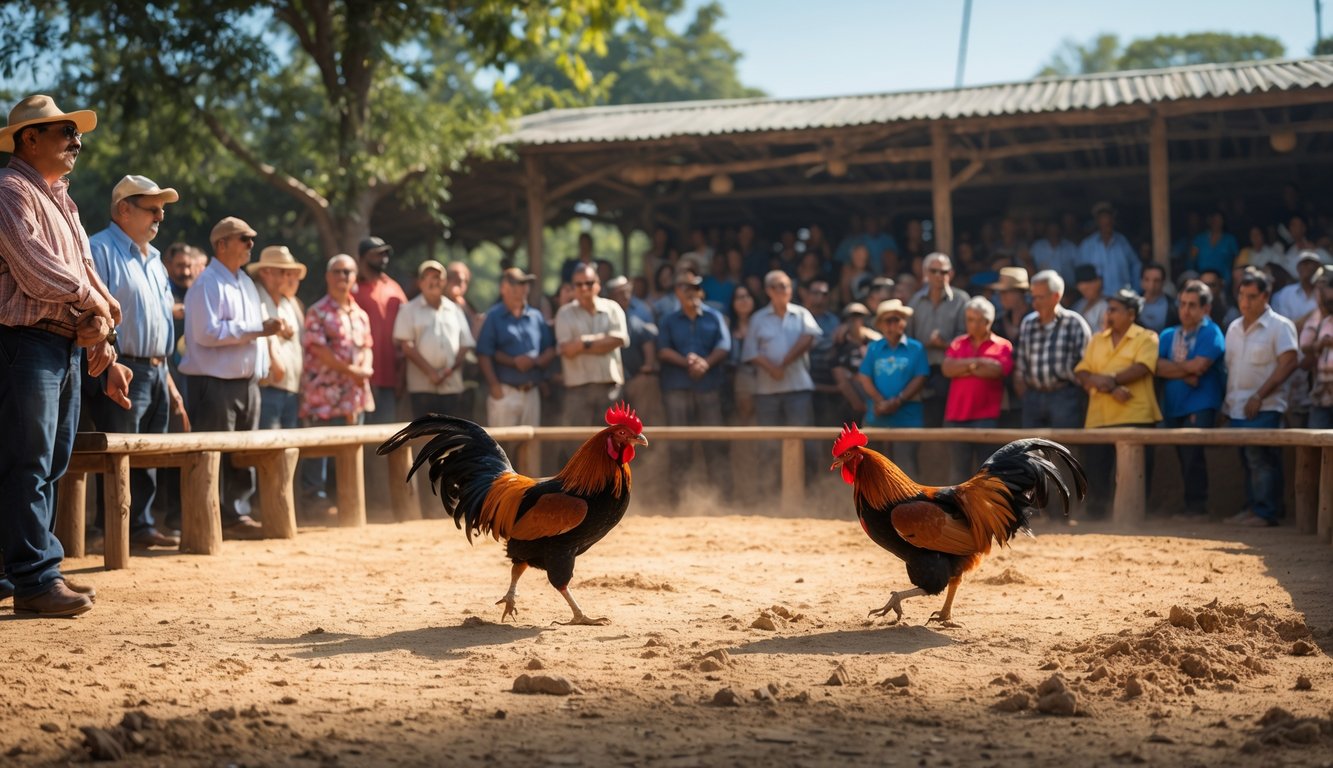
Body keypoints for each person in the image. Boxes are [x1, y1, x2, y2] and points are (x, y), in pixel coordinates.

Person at [0, 94, 122, 616]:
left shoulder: (62, 200)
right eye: (64, 132)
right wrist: (93, 306)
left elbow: (86, 275)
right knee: (28, 461)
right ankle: (33, 577)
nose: (76, 142)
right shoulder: (10, 190)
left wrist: (103, 329)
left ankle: (21, 569)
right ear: (30, 139)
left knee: (47, 463)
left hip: (61, 342)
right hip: (25, 342)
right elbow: (33, 267)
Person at [86, 174, 186, 550]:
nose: (160, 217)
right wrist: (111, 361)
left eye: (162, 210)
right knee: (122, 449)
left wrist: (169, 380)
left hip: (158, 368)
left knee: (148, 450)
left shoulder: (157, 260)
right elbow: (95, 314)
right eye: (152, 209)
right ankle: (112, 530)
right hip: (120, 364)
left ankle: (140, 526)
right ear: (123, 209)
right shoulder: (100, 249)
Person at [180, 216, 284, 540]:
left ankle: (236, 516)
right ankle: (211, 517)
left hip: (244, 382)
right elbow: (207, 333)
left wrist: (262, 365)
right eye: (244, 238)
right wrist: (258, 330)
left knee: (242, 453)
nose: (251, 244)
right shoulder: (206, 283)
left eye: (252, 238)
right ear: (221, 244)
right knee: (215, 454)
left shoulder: (245, 283)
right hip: (213, 383)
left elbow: (256, 333)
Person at [1074, 289, 1162, 517]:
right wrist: (1110, 386)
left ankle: (1137, 518)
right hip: (1099, 416)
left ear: (1130, 313)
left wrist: (1109, 380)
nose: (1108, 314)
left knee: (1136, 473)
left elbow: (1143, 367)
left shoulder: (1147, 337)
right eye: (1108, 309)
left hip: (1135, 415)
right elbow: (1082, 372)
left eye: (1114, 310)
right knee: (1096, 471)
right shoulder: (1097, 339)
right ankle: (1096, 519)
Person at [1223, 270, 1298, 527]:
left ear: (1266, 296)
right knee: (1248, 460)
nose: (1245, 301)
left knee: (1261, 460)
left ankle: (1266, 512)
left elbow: (1288, 364)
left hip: (1265, 406)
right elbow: (1231, 370)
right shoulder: (1233, 327)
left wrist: (1259, 395)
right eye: (1242, 295)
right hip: (1237, 408)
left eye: (1252, 296)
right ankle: (1253, 508)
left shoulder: (1280, 326)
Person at [300, 254, 374, 511]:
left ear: (355, 277)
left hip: (353, 395)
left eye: (349, 272)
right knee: (318, 450)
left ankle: (348, 501)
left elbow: (367, 345)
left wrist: (363, 368)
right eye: (339, 271)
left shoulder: (360, 314)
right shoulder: (317, 311)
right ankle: (313, 502)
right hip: (323, 393)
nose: (344, 276)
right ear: (328, 276)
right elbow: (319, 350)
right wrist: (352, 369)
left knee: (350, 450)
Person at [1156, 280, 1226, 518]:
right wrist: (1187, 372)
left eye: (1193, 305)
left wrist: (1174, 369)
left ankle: (1197, 506)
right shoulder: (1167, 334)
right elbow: (1155, 367)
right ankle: (1192, 505)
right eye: (1183, 304)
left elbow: (1201, 366)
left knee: (1192, 455)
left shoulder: (1212, 331)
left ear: (1206, 309)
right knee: (1182, 455)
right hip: (1174, 406)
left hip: (1201, 403)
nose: (1185, 310)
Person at [657, 270, 730, 495]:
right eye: (686, 288)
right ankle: (677, 498)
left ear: (702, 291)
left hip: (708, 387)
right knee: (679, 445)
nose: (692, 293)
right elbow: (663, 350)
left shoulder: (714, 316)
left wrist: (705, 363)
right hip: (677, 388)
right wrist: (687, 362)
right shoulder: (668, 319)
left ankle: (721, 497)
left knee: (713, 443)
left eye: (696, 288)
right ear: (677, 292)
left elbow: (725, 345)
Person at [743, 270, 822, 446]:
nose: (781, 290)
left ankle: (806, 475)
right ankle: (769, 475)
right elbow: (750, 352)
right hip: (767, 391)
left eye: (784, 286)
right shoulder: (757, 318)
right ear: (768, 290)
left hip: (798, 388)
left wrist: (783, 364)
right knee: (769, 444)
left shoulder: (802, 314)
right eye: (775, 287)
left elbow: (809, 338)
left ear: (791, 289)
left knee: (802, 442)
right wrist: (773, 368)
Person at [856, 299, 929, 477]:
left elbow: (920, 378)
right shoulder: (874, 348)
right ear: (880, 324)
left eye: (896, 319)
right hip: (878, 415)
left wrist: (898, 400)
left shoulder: (916, 348)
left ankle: (910, 504)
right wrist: (881, 402)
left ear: (904, 322)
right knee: (873, 467)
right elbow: (864, 376)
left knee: (906, 466)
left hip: (907, 416)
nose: (892, 324)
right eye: (887, 321)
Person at [476, 268, 556, 428]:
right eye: (516, 284)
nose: (521, 288)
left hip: (532, 391)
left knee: (531, 446)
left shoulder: (536, 316)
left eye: (524, 284)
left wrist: (536, 361)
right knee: (501, 449)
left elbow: (550, 349)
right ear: (503, 288)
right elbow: (484, 353)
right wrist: (494, 387)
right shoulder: (493, 316)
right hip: (505, 390)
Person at [394, 260, 475, 417]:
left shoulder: (455, 309)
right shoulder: (408, 310)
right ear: (420, 282)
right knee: (425, 437)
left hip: (452, 386)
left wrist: (448, 371)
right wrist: (431, 372)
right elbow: (407, 346)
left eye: (438, 277)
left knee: (450, 437)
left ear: (444, 282)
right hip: (422, 387)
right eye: (428, 277)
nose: (434, 281)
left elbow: (465, 344)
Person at [942, 296, 1013, 476]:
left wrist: (963, 367)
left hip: (986, 417)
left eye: (975, 320)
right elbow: (948, 369)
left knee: (987, 473)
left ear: (988, 321)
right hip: (956, 416)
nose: (970, 324)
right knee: (958, 473)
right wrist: (978, 363)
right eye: (969, 319)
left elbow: (997, 371)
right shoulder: (958, 342)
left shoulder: (1002, 345)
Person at [1014, 270, 1092, 429]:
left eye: (1039, 297)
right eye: (1032, 297)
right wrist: (1024, 391)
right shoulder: (1028, 323)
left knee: (1063, 449)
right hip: (1032, 396)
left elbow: (1086, 365)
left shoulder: (1075, 323)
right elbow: (1021, 365)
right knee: (1031, 450)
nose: (1034, 303)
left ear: (1056, 296)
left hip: (1065, 396)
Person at [554, 263, 629, 425]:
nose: (584, 288)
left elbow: (619, 340)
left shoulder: (613, 308)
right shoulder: (564, 313)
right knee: (579, 445)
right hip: (577, 392)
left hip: (610, 389)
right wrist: (603, 342)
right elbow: (567, 350)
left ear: (598, 284)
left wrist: (583, 342)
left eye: (588, 283)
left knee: (611, 445)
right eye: (579, 284)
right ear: (573, 287)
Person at [906, 252, 969, 428]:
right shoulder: (915, 301)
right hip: (921, 371)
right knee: (925, 424)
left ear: (951, 273)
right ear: (925, 272)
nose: (938, 276)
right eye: (934, 271)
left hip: (951, 370)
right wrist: (924, 345)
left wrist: (945, 344)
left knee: (952, 424)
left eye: (943, 271)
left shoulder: (961, 300)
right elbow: (909, 338)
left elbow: (967, 339)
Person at [247, 245, 306, 430]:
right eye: (283, 272)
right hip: (266, 388)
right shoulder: (252, 297)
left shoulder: (289, 303)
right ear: (266, 272)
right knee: (268, 451)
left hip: (291, 389)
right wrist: (274, 360)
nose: (289, 277)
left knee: (288, 449)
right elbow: (255, 333)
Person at [353, 235, 406, 423]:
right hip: (359, 378)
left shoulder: (394, 288)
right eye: (377, 254)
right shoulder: (352, 289)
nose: (383, 257)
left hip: (391, 377)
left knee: (385, 439)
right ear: (362, 258)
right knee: (357, 438)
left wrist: (402, 374)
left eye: (385, 253)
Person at [1078, 201, 1141, 294]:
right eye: (1102, 219)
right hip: (1098, 299)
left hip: (1121, 297)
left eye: (1108, 218)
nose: (1106, 222)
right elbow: (1081, 275)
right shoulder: (1087, 245)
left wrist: (1136, 290)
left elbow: (1136, 266)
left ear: (1113, 220)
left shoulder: (1122, 242)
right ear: (1097, 222)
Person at [1300, 267, 1333, 429]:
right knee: (1316, 444)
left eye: (1325, 285)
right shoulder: (1321, 321)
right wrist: (1319, 345)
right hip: (1322, 393)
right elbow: (1304, 346)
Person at [1030, 218, 1078, 294]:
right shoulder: (1037, 247)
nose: (1053, 233)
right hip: (1044, 292)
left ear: (1061, 231)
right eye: (1051, 231)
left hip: (1069, 291)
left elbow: (1078, 270)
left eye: (1056, 230)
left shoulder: (1071, 247)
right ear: (1046, 231)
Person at [1189, 211, 1239, 278]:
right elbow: (1191, 260)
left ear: (1223, 222)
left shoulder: (1230, 239)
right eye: (1214, 220)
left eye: (1219, 220)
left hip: (1224, 279)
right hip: (1202, 278)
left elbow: (1237, 260)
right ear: (1209, 221)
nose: (1216, 223)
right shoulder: (1199, 239)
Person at [1137, 262, 1177, 333]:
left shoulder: (1173, 307)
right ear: (1141, 281)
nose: (1151, 284)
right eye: (1147, 280)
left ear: (1163, 282)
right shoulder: (1133, 304)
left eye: (1156, 281)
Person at [1072, 264, 1107, 332]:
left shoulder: (1105, 305)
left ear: (1098, 283)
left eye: (1088, 289)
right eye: (1083, 291)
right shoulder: (1079, 304)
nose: (1086, 293)